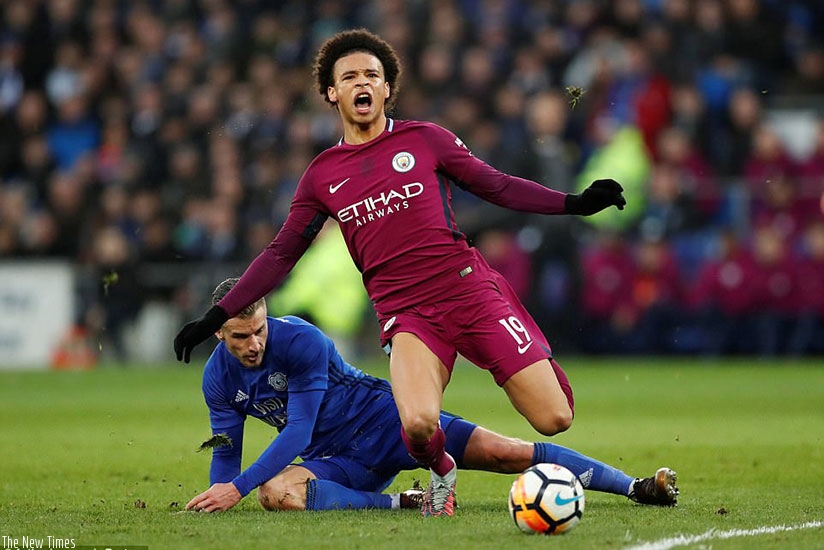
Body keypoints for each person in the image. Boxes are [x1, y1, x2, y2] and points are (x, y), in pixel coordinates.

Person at [175, 29, 627, 517]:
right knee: (416, 423)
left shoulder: (425, 140)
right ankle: (442, 474)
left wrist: (574, 203)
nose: (362, 83)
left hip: (467, 290)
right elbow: (280, 254)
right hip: (407, 315)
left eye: (372, 74)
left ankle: (538, 363)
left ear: (387, 87)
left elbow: (495, 186)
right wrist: (214, 316)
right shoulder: (322, 176)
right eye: (349, 77)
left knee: (554, 417)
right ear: (332, 93)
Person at [185, 278, 678, 514]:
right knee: (278, 494)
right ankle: (405, 502)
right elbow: (226, 449)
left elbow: (296, 427)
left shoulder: (300, 341)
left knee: (506, 454)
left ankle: (636, 486)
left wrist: (236, 489)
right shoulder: (217, 379)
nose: (255, 345)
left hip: (385, 419)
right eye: (240, 337)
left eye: (259, 331)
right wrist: (218, 492)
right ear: (217, 336)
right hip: (334, 459)